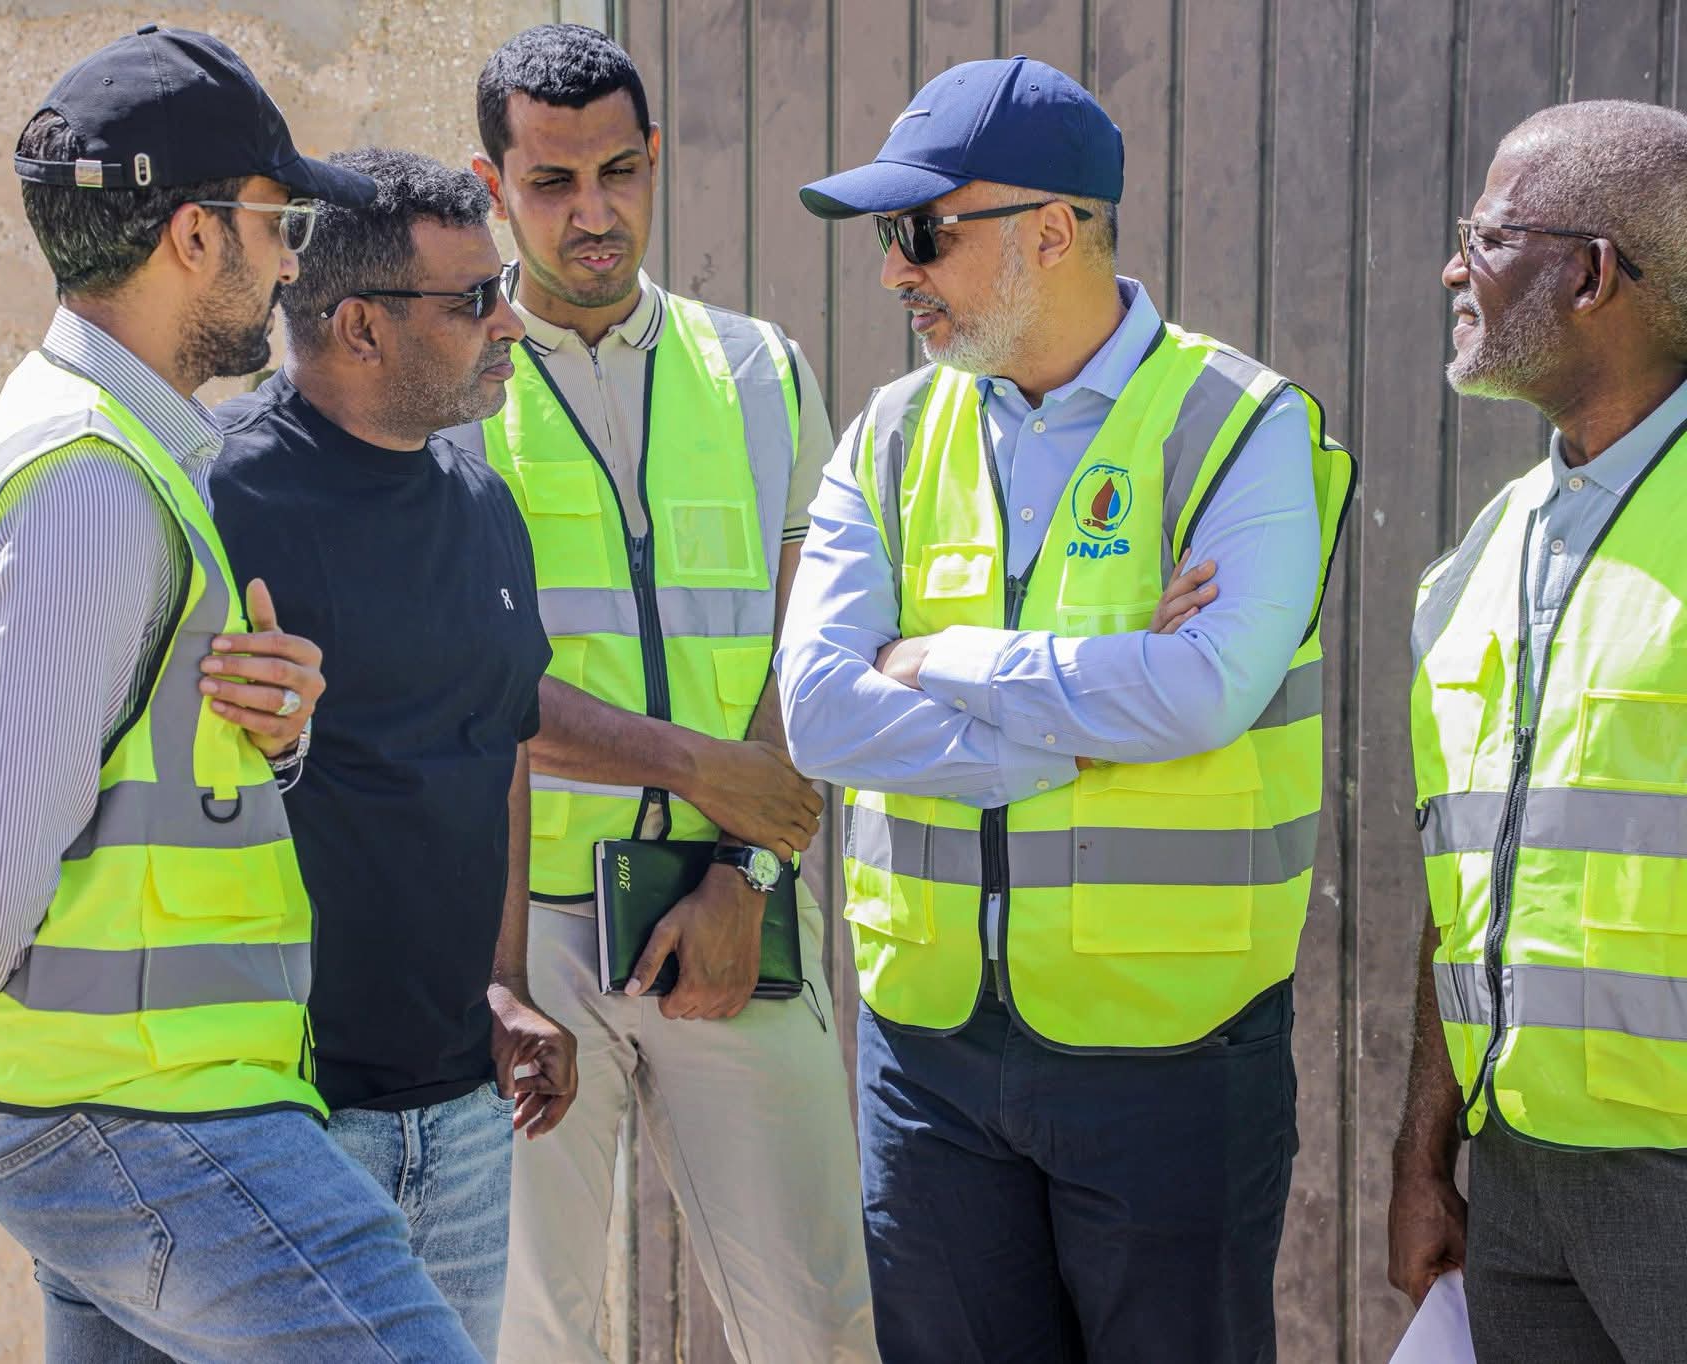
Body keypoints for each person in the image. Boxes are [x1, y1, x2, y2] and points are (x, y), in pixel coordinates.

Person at [0, 28, 479, 1363]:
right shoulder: (90, 480)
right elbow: (1, 834)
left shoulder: (94, 444)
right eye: (278, 224)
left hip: (111, 1099)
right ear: (193, 234)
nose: (291, 263)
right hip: (139, 1108)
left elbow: (91, 768)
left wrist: (261, 741)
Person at [781, 57, 1355, 1363]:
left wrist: (934, 655)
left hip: (1173, 1057)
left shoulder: (1242, 426)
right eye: (885, 236)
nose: (894, 271)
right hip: (927, 1059)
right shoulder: (886, 435)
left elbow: (1204, 690)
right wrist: (1088, 718)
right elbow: (817, 715)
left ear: (1051, 230)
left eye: (921, 231)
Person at [443, 25, 877, 1364]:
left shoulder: (760, 371)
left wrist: (747, 870)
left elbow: (814, 643)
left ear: (653, 161)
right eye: (552, 183)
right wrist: (697, 766)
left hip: (730, 909)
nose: (594, 213)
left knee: (822, 1327)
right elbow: (465, 683)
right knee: (530, 1337)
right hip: (520, 939)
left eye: (619, 173)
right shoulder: (449, 390)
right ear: (492, 185)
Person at [209, 146, 576, 1357]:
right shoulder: (217, 498)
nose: (508, 320)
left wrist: (503, 984)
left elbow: (499, 743)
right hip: (285, 1122)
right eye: (474, 298)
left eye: (499, 287)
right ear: (359, 325)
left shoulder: (481, 501)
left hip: (464, 1117)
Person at [1387, 99, 1687, 1363]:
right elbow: (1458, 881)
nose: (1451, 268)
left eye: (1486, 236)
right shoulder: (1484, 549)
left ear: (1591, 274)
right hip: (1513, 1174)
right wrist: (1423, 1150)